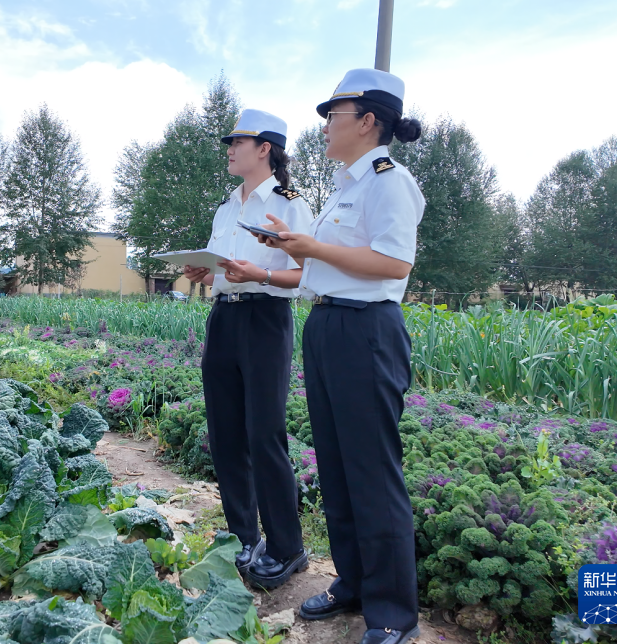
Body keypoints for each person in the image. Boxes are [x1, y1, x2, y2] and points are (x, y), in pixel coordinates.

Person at [254, 69, 424, 644]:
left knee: (372, 473)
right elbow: (327, 263)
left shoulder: (388, 181)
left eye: (335, 114)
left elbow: (394, 265)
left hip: (367, 331)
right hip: (327, 324)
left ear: (368, 120)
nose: (326, 125)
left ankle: (392, 615)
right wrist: (289, 245)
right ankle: (352, 583)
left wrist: (312, 245)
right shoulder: (347, 187)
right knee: (336, 465)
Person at [181, 109, 313, 589]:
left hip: (265, 319)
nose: (230, 149)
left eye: (239, 141)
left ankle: (287, 546)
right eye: (229, 142)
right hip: (225, 318)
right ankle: (242, 535)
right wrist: (205, 271)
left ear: (265, 149)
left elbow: (309, 274)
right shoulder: (225, 207)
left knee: (264, 435)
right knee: (226, 432)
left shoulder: (289, 203)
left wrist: (257, 274)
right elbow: (225, 266)